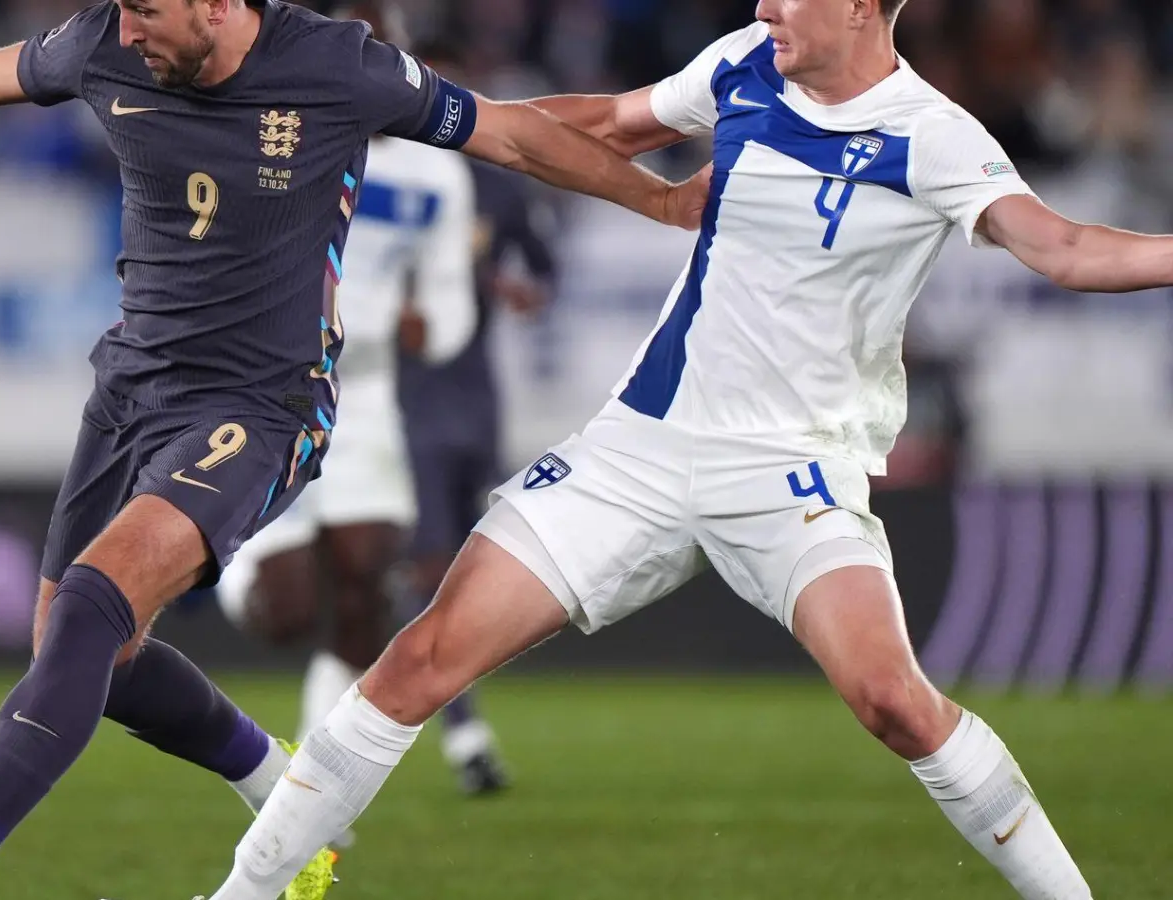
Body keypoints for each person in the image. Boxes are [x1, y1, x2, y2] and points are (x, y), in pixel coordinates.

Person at [0, 3, 705, 900]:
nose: (124, 29)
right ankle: (285, 802)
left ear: (218, 6)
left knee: (97, 599)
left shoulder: (337, 65)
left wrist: (657, 200)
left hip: (260, 405)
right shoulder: (103, 42)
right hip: (128, 388)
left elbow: (513, 136)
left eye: (144, 12)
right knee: (89, 653)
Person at [196, 1, 1173, 897]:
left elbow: (1067, 249)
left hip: (790, 468)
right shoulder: (747, 63)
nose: (763, 8)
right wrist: (442, 117)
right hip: (640, 450)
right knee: (419, 659)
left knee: (893, 703)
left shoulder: (934, 138)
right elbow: (614, 122)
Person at [214, 0, 506, 808]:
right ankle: (225, 568)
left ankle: (309, 800)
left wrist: (430, 327)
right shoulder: (276, 140)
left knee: (364, 592)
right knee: (289, 610)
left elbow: (450, 310)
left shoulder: (434, 172)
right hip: (266, 386)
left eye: (385, 48)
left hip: (369, 393)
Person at [392, 37, 560, 797]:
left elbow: (542, 265)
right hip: (401, 398)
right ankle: (462, 734)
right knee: (429, 564)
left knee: (474, 562)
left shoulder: (495, 186)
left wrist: (524, 290)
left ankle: (451, 717)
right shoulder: (386, 177)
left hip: (475, 396)